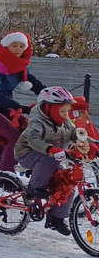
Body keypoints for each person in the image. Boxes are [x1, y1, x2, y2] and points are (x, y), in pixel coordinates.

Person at [0, 32, 46, 173]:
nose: (18, 49)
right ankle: (3, 177)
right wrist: (20, 108)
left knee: (29, 129)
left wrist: (53, 96)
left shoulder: (19, 66)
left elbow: (36, 84)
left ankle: (7, 158)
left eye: (21, 46)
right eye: (14, 45)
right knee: (16, 136)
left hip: (3, 107)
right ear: (6, 46)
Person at [13, 86, 81, 236]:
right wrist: (51, 149)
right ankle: (34, 188)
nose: (65, 115)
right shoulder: (37, 120)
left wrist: (91, 143)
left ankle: (56, 218)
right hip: (28, 153)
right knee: (48, 159)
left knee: (67, 182)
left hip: (54, 156)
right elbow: (33, 139)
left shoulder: (64, 120)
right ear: (48, 108)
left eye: (67, 111)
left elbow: (74, 133)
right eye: (62, 111)